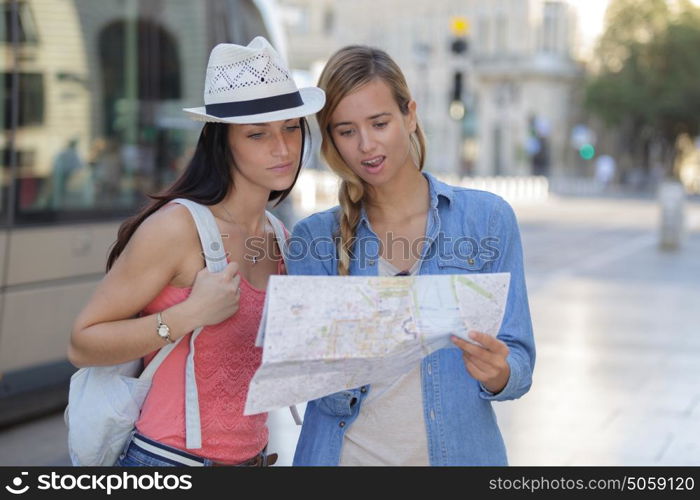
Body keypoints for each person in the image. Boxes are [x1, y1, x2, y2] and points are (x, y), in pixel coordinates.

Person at [68, 37, 324, 467]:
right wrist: (187, 316)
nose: (282, 148)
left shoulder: (279, 236)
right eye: (257, 134)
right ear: (223, 142)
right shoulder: (177, 228)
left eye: (291, 127)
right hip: (168, 462)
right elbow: (82, 343)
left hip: (255, 460)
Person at [286, 45, 534, 466]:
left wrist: (499, 373)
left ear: (410, 115)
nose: (366, 145)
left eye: (379, 123)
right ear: (332, 141)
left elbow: (519, 358)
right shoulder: (314, 240)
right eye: (346, 131)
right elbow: (316, 391)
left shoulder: (487, 220)